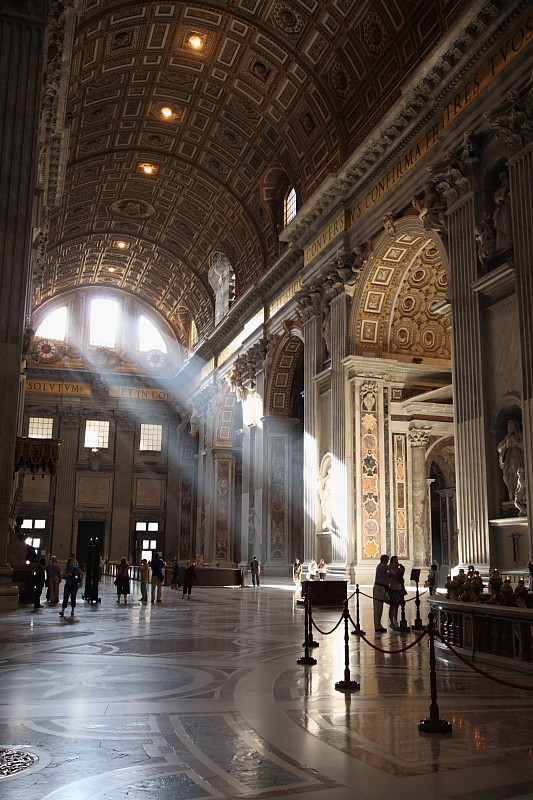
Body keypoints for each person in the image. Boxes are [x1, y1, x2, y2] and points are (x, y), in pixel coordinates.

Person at [498, 419, 524, 502]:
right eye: (509, 426)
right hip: (508, 461)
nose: (510, 428)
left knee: (518, 477)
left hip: (517, 458)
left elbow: (524, 445)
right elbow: (499, 448)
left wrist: (515, 443)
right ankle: (511, 495)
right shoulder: (507, 437)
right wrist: (506, 446)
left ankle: (520, 497)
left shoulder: (520, 435)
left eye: (512, 426)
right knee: (508, 477)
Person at [387, 556, 405, 630]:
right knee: (392, 606)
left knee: (397, 606)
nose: (396, 562)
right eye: (395, 561)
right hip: (392, 589)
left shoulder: (398, 569)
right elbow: (395, 578)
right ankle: (391, 621)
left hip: (399, 588)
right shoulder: (390, 570)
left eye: (397, 561)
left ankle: (395, 620)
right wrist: (400, 571)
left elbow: (401, 579)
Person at [373, 554, 389, 633]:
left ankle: (379, 625)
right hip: (379, 588)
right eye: (387, 560)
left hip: (382, 588)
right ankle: (377, 626)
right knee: (378, 608)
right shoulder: (381, 566)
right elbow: (390, 567)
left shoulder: (382, 567)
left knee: (380, 607)